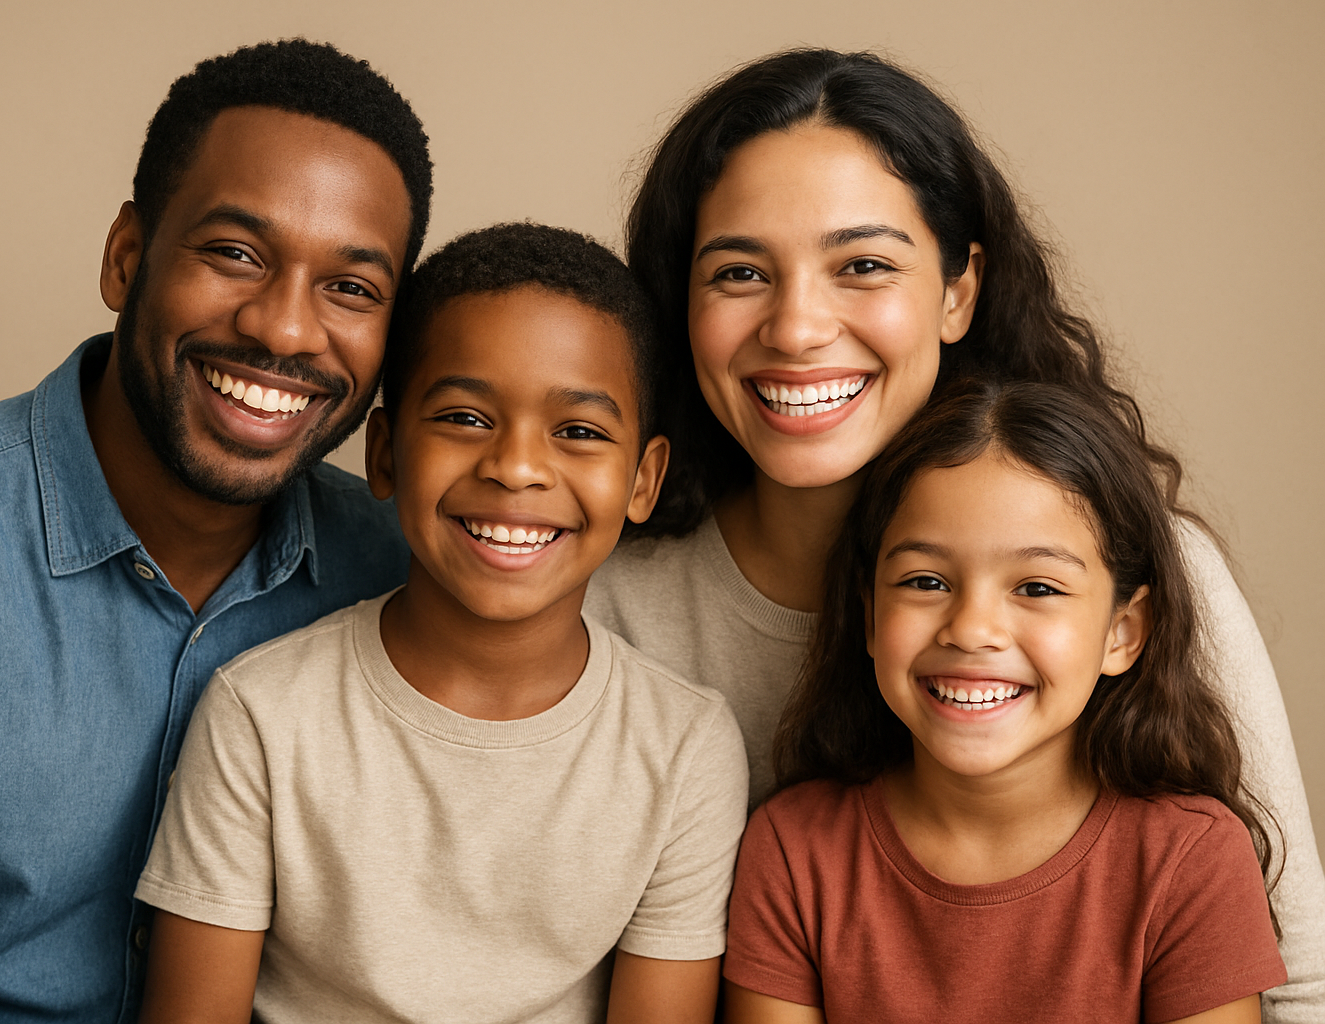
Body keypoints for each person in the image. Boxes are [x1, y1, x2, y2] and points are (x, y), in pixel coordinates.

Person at [580, 47, 1325, 1017]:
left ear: (959, 291)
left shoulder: (1145, 565)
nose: (798, 326)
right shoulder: (603, 599)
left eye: (864, 265)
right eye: (738, 272)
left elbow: (1298, 979)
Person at [0, 39, 431, 1023]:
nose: (285, 330)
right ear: (127, 257)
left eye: (351, 287)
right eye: (236, 253)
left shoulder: (400, 570)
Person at [131, 224, 749, 1024]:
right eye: (464, 418)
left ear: (644, 479)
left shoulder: (685, 747)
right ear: (383, 455)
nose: (517, 466)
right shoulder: (262, 714)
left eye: (579, 432)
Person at [722, 379, 1286, 1023]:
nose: (971, 628)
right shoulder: (794, 851)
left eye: (1038, 588)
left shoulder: (1191, 861)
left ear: (1122, 632)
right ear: (870, 615)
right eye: (926, 581)